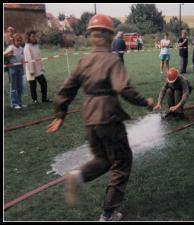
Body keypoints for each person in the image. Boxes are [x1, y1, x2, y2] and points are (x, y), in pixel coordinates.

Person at [47, 14, 154, 221]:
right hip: (108, 117)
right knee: (122, 162)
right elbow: (123, 88)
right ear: (109, 36)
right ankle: (108, 213)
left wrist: (60, 113)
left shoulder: (84, 61)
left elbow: (66, 88)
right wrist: (145, 102)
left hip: (89, 117)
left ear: (92, 36)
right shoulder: (112, 60)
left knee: (103, 159)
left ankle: (77, 176)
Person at [24, 30, 52, 104]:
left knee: (44, 83)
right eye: (33, 36)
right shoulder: (27, 47)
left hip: (38, 69)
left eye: (35, 36)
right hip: (31, 69)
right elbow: (28, 59)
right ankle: (35, 100)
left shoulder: (36, 45)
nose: (34, 37)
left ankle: (44, 98)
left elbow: (39, 56)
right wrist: (31, 71)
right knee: (33, 85)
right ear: (29, 37)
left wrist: (42, 67)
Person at [3, 33, 25, 109]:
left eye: (20, 41)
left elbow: (22, 58)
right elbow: (4, 55)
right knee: (13, 86)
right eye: (17, 41)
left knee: (20, 86)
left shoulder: (21, 48)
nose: (19, 42)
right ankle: (14, 104)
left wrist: (23, 61)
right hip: (12, 68)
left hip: (19, 67)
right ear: (14, 41)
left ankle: (20, 103)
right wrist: (8, 55)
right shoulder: (11, 48)